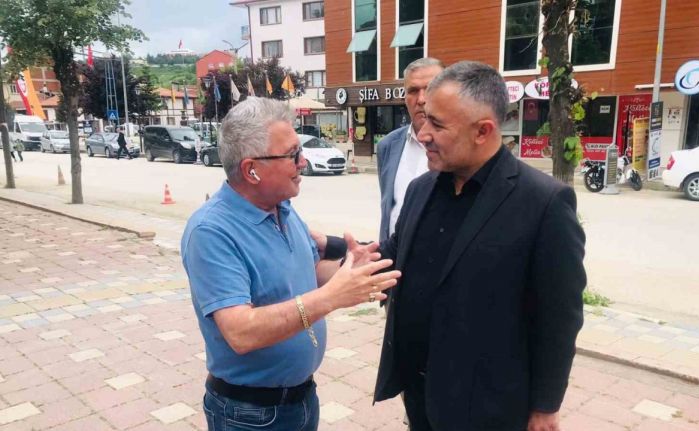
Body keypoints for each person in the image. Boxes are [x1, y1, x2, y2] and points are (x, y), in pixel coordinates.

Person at [373, 61, 586, 431]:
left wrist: (545, 406)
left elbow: (559, 318)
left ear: (483, 131)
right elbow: (398, 250)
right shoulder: (422, 188)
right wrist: (339, 250)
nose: (423, 135)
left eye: (437, 125)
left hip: (488, 405)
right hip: (420, 392)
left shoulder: (544, 203)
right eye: (424, 121)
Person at [181, 97, 401, 431]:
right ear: (251, 170)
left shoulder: (281, 208)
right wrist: (332, 297)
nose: (303, 162)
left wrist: (350, 273)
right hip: (250, 415)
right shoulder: (211, 232)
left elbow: (307, 272)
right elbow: (240, 332)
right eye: (292, 154)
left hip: (301, 399)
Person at [376, 57, 444, 242]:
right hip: (394, 255)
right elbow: (388, 210)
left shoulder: (460, 145)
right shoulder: (387, 146)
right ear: (404, 97)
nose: (421, 99)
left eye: (430, 89)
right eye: (413, 91)